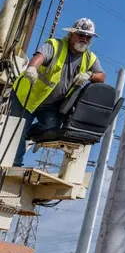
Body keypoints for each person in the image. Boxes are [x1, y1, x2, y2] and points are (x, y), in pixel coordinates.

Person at [10, 18, 105, 167]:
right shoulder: (55, 45)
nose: (84, 39)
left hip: (50, 105)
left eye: (88, 37)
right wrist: (32, 68)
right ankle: (13, 164)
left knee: (52, 128)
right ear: (71, 34)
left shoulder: (89, 58)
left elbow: (102, 76)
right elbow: (39, 57)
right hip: (26, 97)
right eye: (81, 35)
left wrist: (89, 75)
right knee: (15, 131)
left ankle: (28, 134)